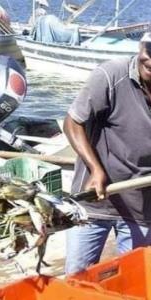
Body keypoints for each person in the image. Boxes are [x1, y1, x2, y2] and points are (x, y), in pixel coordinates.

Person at [63, 32, 151, 275]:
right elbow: (72, 123)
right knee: (76, 277)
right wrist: (96, 169)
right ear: (140, 46)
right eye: (149, 51)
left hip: (141, 208)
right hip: (94, 203)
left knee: (133, 278)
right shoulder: (111, 75)